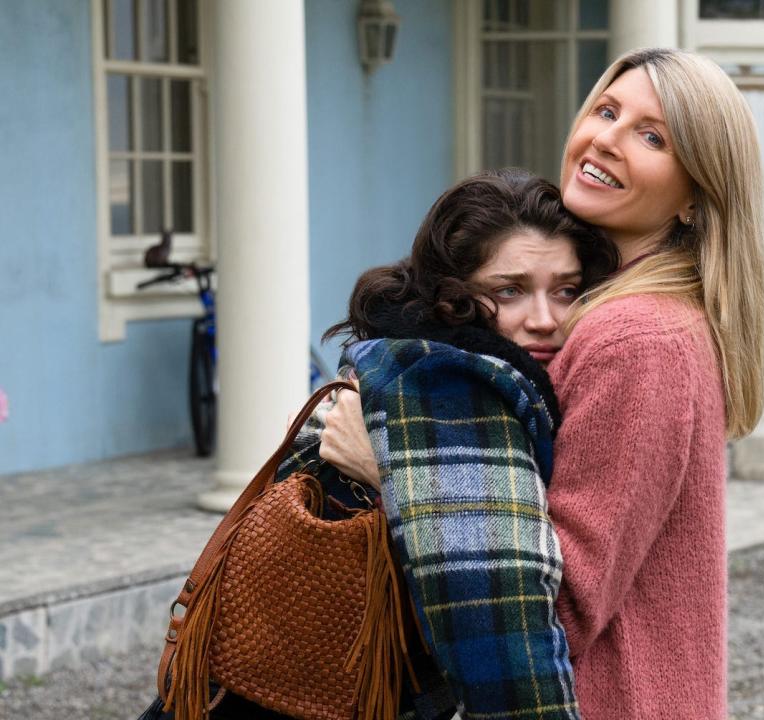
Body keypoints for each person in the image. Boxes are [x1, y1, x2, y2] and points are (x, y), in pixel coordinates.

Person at [323, 47, 764, 720]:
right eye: (607, 110)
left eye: (652, 137)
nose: (608, 140)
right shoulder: (604, 307)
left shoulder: (637, 336)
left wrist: (392, 469)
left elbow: (555, 600)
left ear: (694, 197)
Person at [138, 168, 619, 720]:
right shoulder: (458, 385)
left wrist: (386, 473)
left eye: (566, 290)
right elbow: (494, 618)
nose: (545, 320)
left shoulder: (397, 360)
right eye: (508, 290)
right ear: (452, 297)